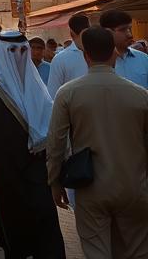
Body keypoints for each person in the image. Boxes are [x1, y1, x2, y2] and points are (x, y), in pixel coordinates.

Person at [47, 25, 148, 259]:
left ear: (86, 55)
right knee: (137, 250)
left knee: (96, 252)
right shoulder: (140, 95)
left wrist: (54, 181)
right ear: (113, 52)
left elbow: (56, 143)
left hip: (91, 187)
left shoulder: (68, 93)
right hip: (134, 185)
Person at [0, 30, 65, 258]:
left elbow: (50, 123)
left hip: (37, 167)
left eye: (23, 50)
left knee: (44, 217)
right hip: (6, 170)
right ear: (4, 53)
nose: (18, 55)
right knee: (13, 221)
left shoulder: (36, 83)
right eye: (12, 51)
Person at [98, 9, 148, 88]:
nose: (129, 35)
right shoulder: (97, 63)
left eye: (130, 29)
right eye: (123, 30)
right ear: (108, 32)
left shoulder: (144, 59)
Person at [46, 12, 89, 98]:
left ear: (71, 33)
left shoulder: (60, 59)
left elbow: (53, 95)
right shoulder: (60, 59)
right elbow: (53, 95)